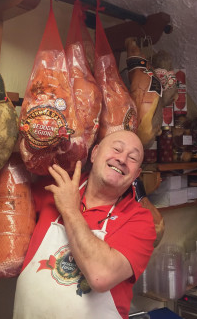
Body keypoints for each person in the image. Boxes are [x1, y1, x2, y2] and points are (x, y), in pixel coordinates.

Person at [13, 130, 156, 319]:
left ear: (136, 174)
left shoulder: (139, 221)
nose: (122, 159)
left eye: (132, 158)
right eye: (116, 149)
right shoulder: (56, 186)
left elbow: (100, 276)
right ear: (95, 153)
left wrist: (70, 210)